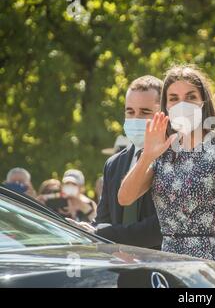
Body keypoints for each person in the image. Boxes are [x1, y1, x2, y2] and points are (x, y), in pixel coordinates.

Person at [118, 65, 215, 287]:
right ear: (165, 106)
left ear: (202, 102)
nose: (181, 104)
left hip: (206, 270)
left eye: (190, 97)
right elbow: (125, 198)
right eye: (174, 98)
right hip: (165, 270)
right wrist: (148, 155)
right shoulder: (161, 150)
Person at [70, 76, 164, 249]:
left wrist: (102, 235)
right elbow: (103, 221)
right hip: (120, 268)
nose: (136, 118)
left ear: (163, 114)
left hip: (161, 268)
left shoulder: (174, 159)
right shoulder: (113, 164)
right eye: (130, 112)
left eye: (145, 112)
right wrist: (84, 230)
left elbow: (160, 227)